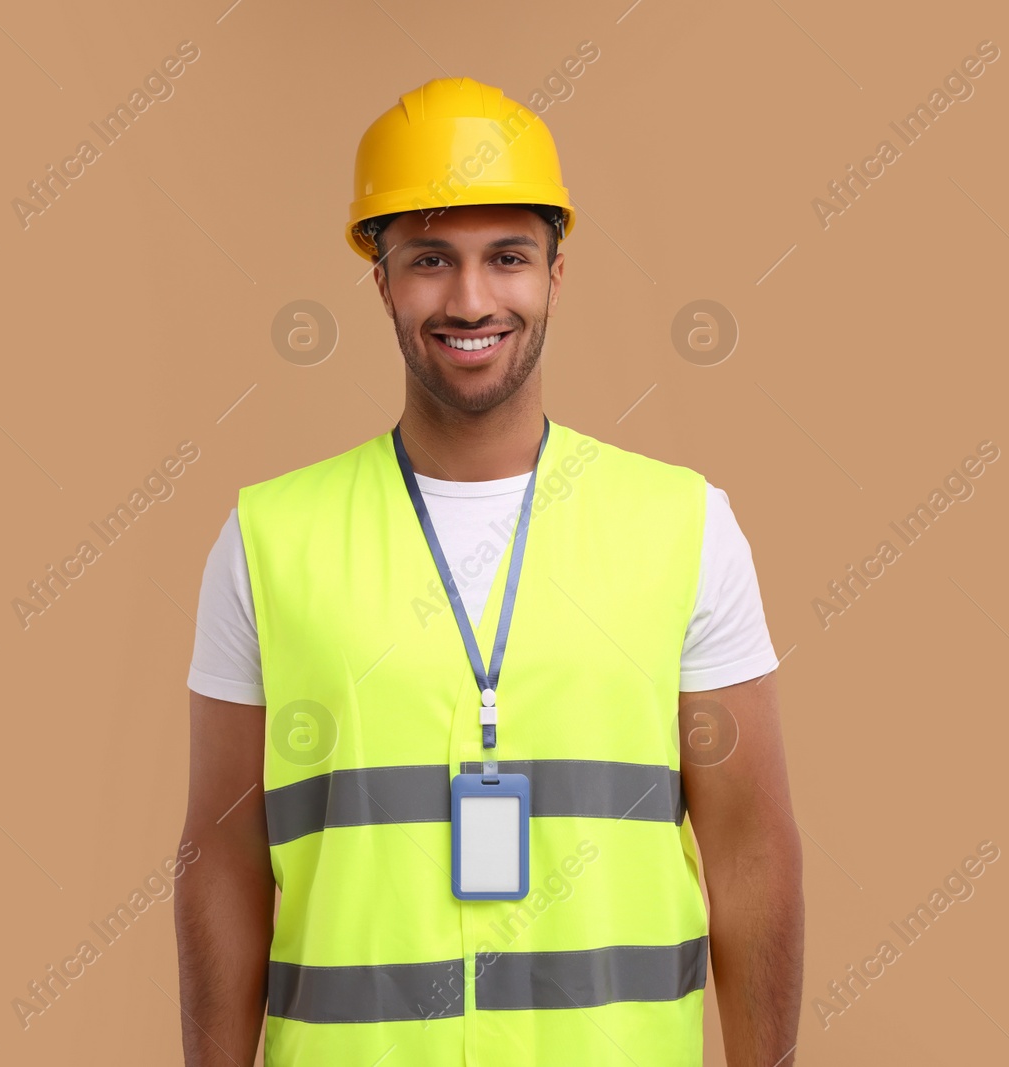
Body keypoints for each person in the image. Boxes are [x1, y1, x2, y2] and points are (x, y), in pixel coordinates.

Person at [176, 75, 802, 1067]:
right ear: (379, 277)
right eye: (429, 259)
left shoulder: (685, 525)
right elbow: (222, 860)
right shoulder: (267, 538)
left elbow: (751, 852)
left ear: (556, 271)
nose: (470, 299)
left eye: (506, 256)